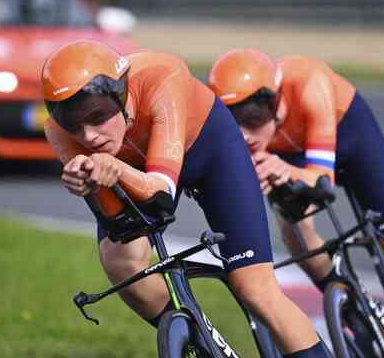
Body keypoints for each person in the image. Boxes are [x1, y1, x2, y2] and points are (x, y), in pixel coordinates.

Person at [41, 40, 332, 358]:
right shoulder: (56, 130)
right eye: (75, 126)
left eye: (97, 117)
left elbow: (160, 195)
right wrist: (86, 185)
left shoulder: (163, 76)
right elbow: (120, 223)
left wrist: (117, 171)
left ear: (121, 93)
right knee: (121, 263)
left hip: (209, 152)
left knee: (255, 287)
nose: (88, 137)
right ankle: (203, 340)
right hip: (134, 169)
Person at [207, 49, 384, 358]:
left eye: (252, 120)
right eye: (232, 122)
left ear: (275, 102)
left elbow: (323, 178)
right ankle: (349, 308)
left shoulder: (309, 82)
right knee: (296, 236)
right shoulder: (256, 136)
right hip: (291, 159)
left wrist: (286, 171)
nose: (244, 135)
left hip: (352, 143)